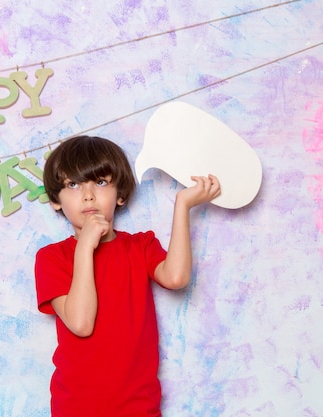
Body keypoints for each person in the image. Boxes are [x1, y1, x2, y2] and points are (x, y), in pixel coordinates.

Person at [34, 135, 221, 417]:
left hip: (139, 407)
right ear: (55, 201)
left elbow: (176, 278)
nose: (88, 195)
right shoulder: (51, 258)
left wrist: (182, 205)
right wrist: (84, 247)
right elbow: (81, 323)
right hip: (76, 408)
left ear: (120, 194)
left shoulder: (140, 246)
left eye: (100, 182)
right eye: (73, 184)